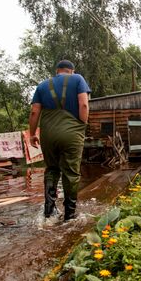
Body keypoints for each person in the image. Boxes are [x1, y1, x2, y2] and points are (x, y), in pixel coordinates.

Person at [28, 60, 91, 221]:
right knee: (70, 172)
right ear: (71, 70)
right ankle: (69, 214)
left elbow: (35, 112)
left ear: (57, 71)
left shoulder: (42, 86)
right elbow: (83, 105)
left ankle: (49, 210)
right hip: (72, 133)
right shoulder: (78, 79)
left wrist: (32, 134)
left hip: (48, 135)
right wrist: (82, 125)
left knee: (52, 169)